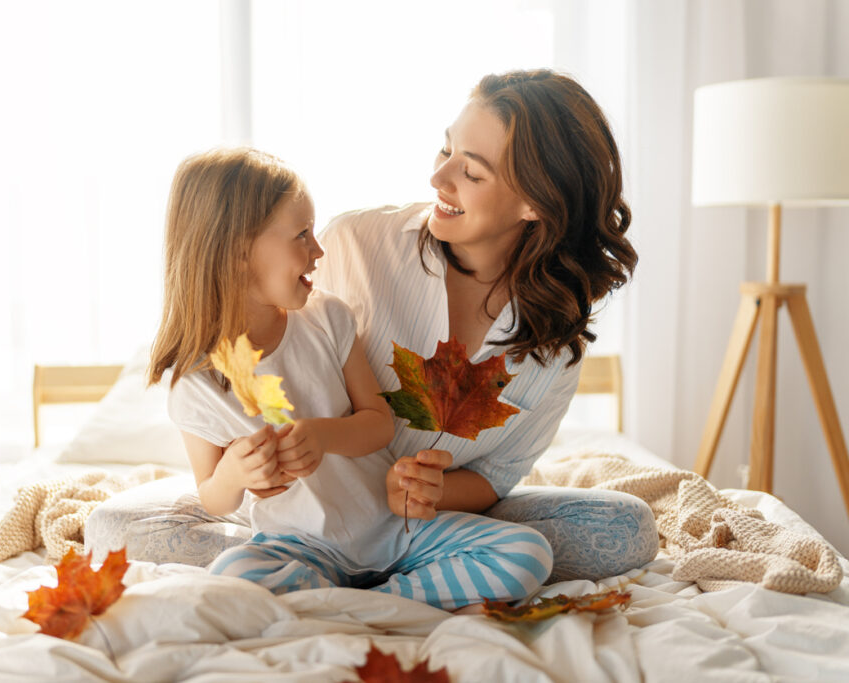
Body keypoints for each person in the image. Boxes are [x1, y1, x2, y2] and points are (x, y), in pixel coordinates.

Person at [143, 147, 553, 610]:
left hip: (392, 529)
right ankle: (381, 603)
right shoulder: (194, 384)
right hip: (300, 546)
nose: (318, 251)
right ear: (237, 251)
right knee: (232, 577)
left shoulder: (327, 319)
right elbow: (213, 497)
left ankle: (366, 604)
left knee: (528, 554)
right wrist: (235, 474)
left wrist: (322, 435)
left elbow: (377, 423)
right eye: (302, 235)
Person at [313, 69, 658, 581]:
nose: (438, 179)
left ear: (536, 203)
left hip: (436, 526)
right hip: (318, 512)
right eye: (445, 150)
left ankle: (389, 585)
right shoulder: (354, 244)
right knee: (156, 529)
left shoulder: (555, 338)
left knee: (627, 528)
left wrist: (434, 492)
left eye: (471, 174)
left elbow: (496, 476)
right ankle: (355, 571)